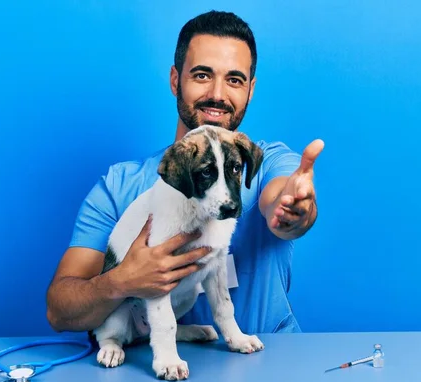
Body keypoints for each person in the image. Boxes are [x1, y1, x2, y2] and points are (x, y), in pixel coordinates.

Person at [46, 10, 324, 337]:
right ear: (176, 80)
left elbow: (280, 197)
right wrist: (121, 281)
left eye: (234, 79)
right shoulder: (119, 186)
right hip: (157, 371)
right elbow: (59, 311)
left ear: (250, 89)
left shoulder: (265, 161)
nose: (218, 94)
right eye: (203, 75)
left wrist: (292, 210)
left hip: (269, 360)